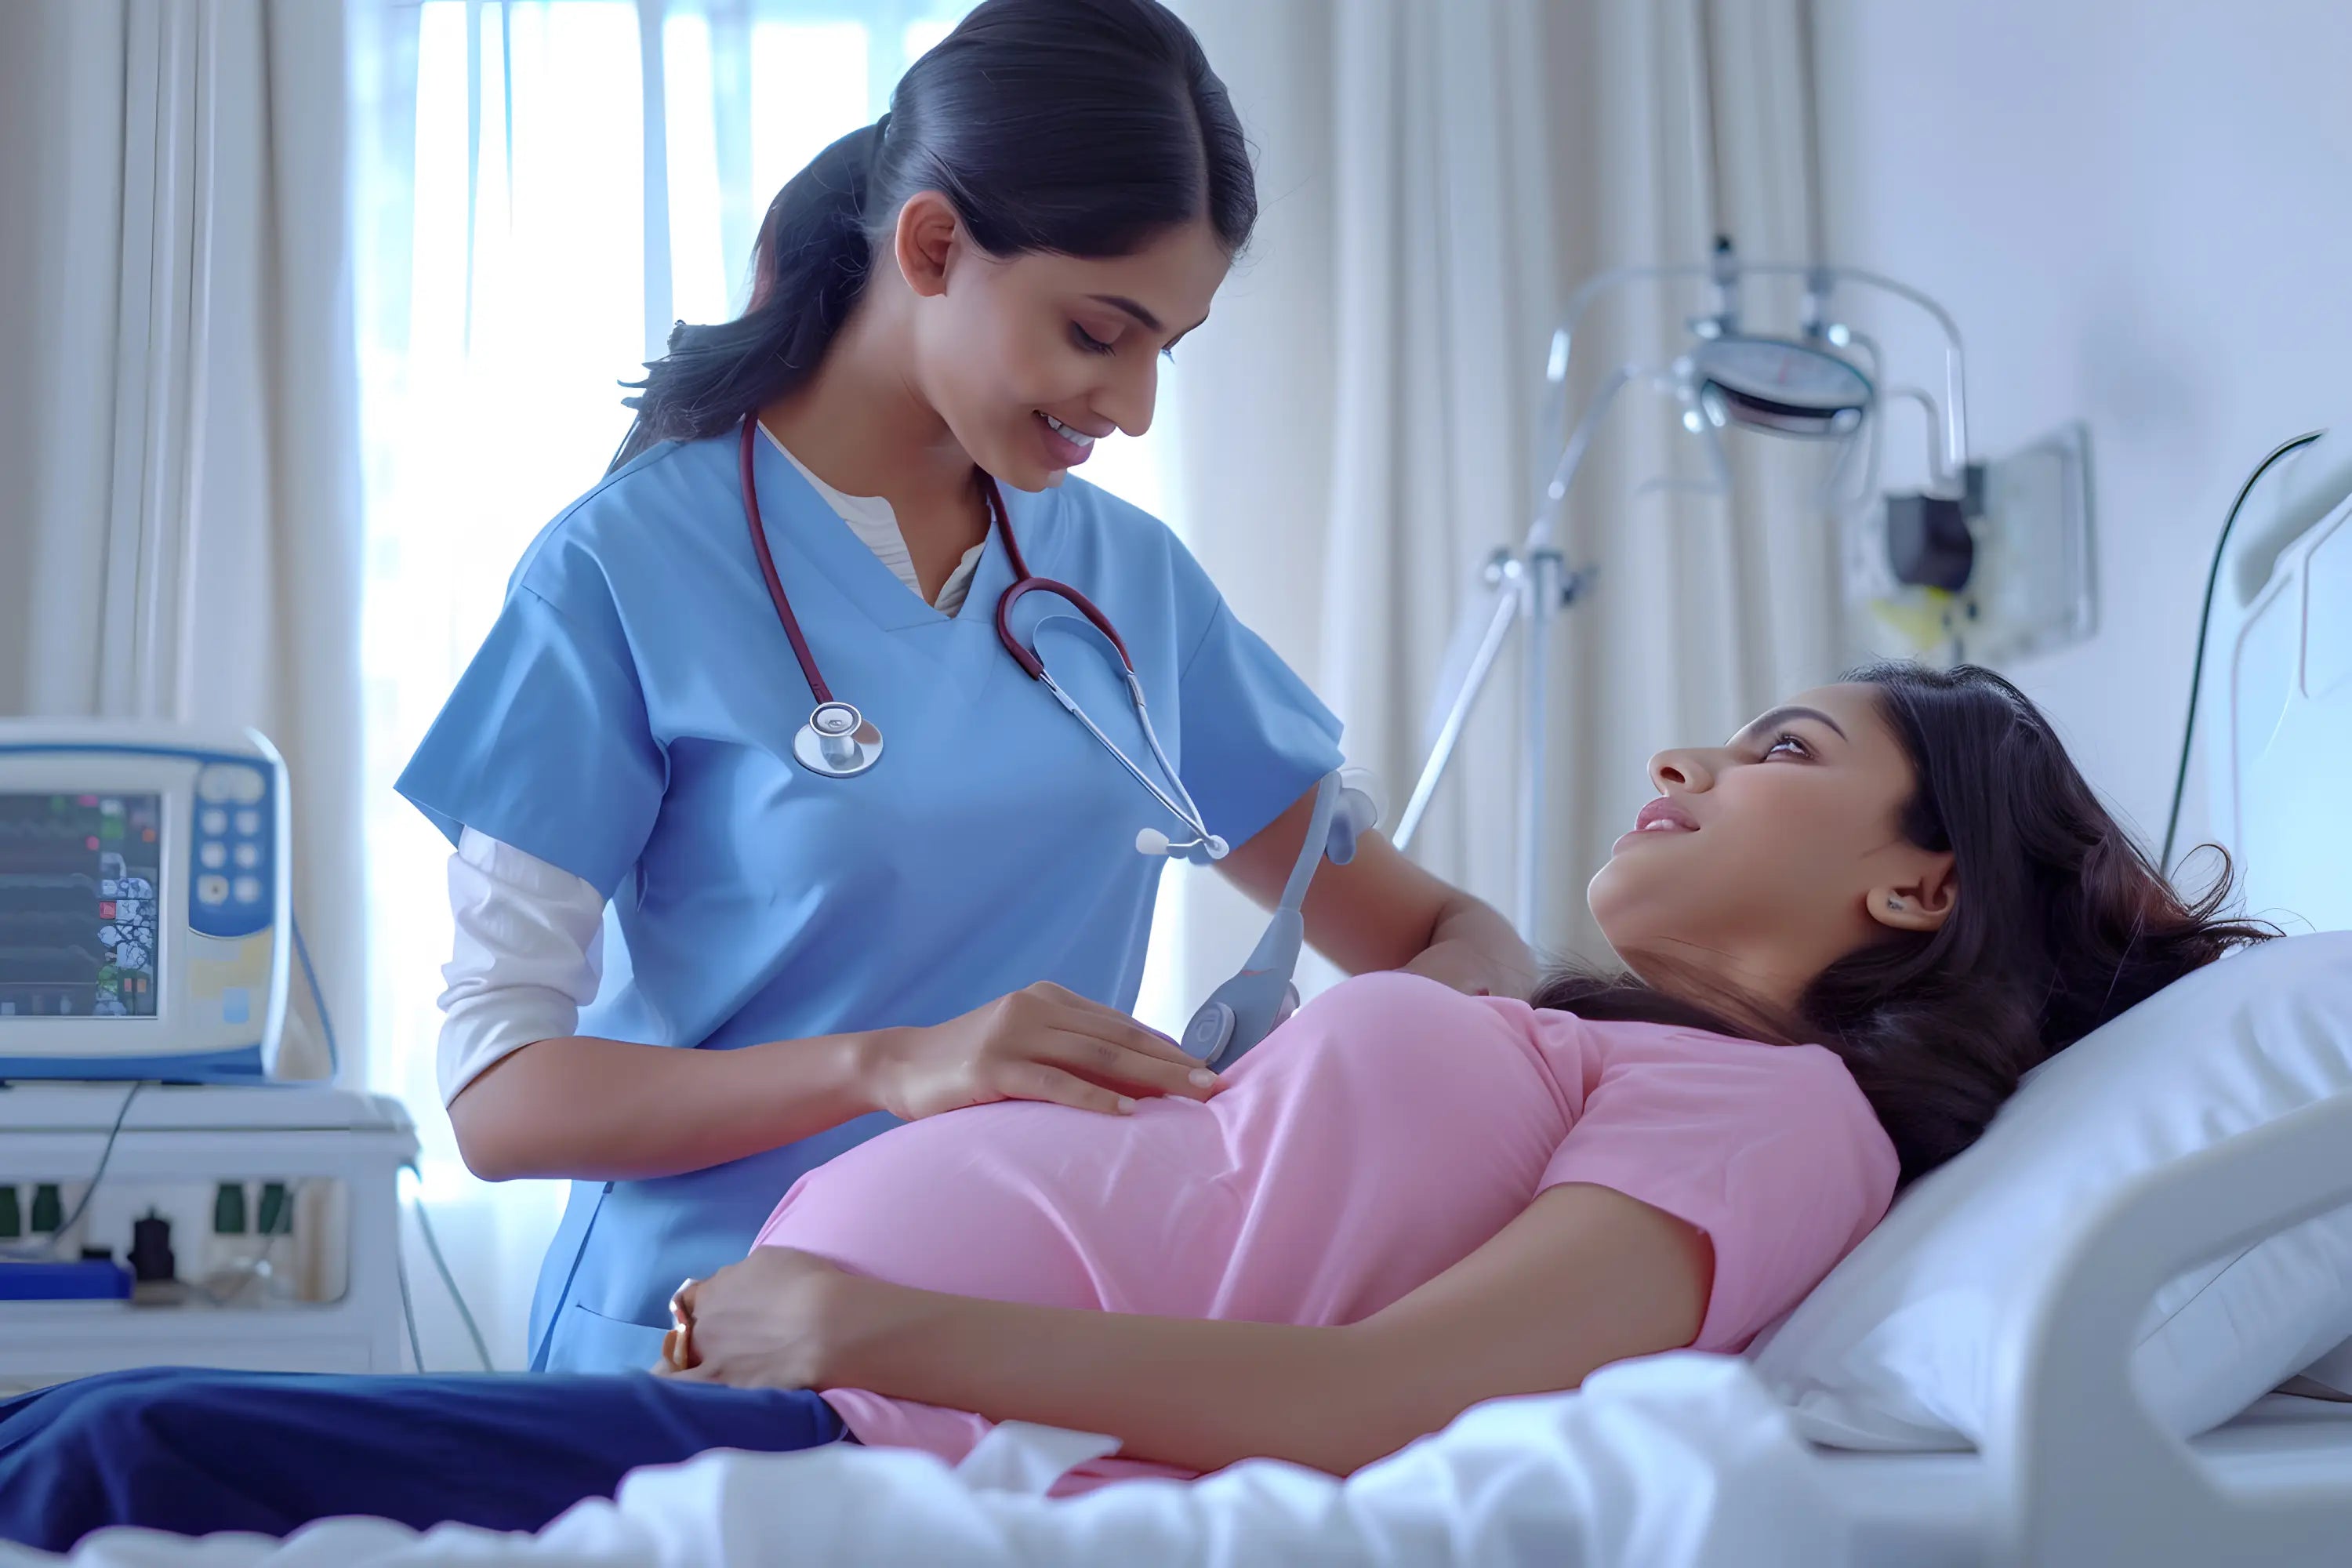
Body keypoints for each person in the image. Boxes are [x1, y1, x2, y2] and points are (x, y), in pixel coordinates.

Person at [0, 664, 2273, 1550]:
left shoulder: (1781, 1128)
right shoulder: (1604, 1037)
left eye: (1779, 752)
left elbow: (1385, 1401)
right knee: (79, 1449)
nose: (1682, 755)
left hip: (868, 1430)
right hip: (810, 1383)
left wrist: (868, 1336)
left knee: (116, 1456)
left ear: (1917, 884)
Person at [391, 0, 1530, 1380]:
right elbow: (500, 1100)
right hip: (704, 1347)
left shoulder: (1126, 580)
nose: (1134, 404)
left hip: (1022, 1350)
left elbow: (1443, 937)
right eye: (1101, 331)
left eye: (1169, 346)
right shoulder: (621, 570)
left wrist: (1336, 1081)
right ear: (934, 246)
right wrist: (896, 1064)